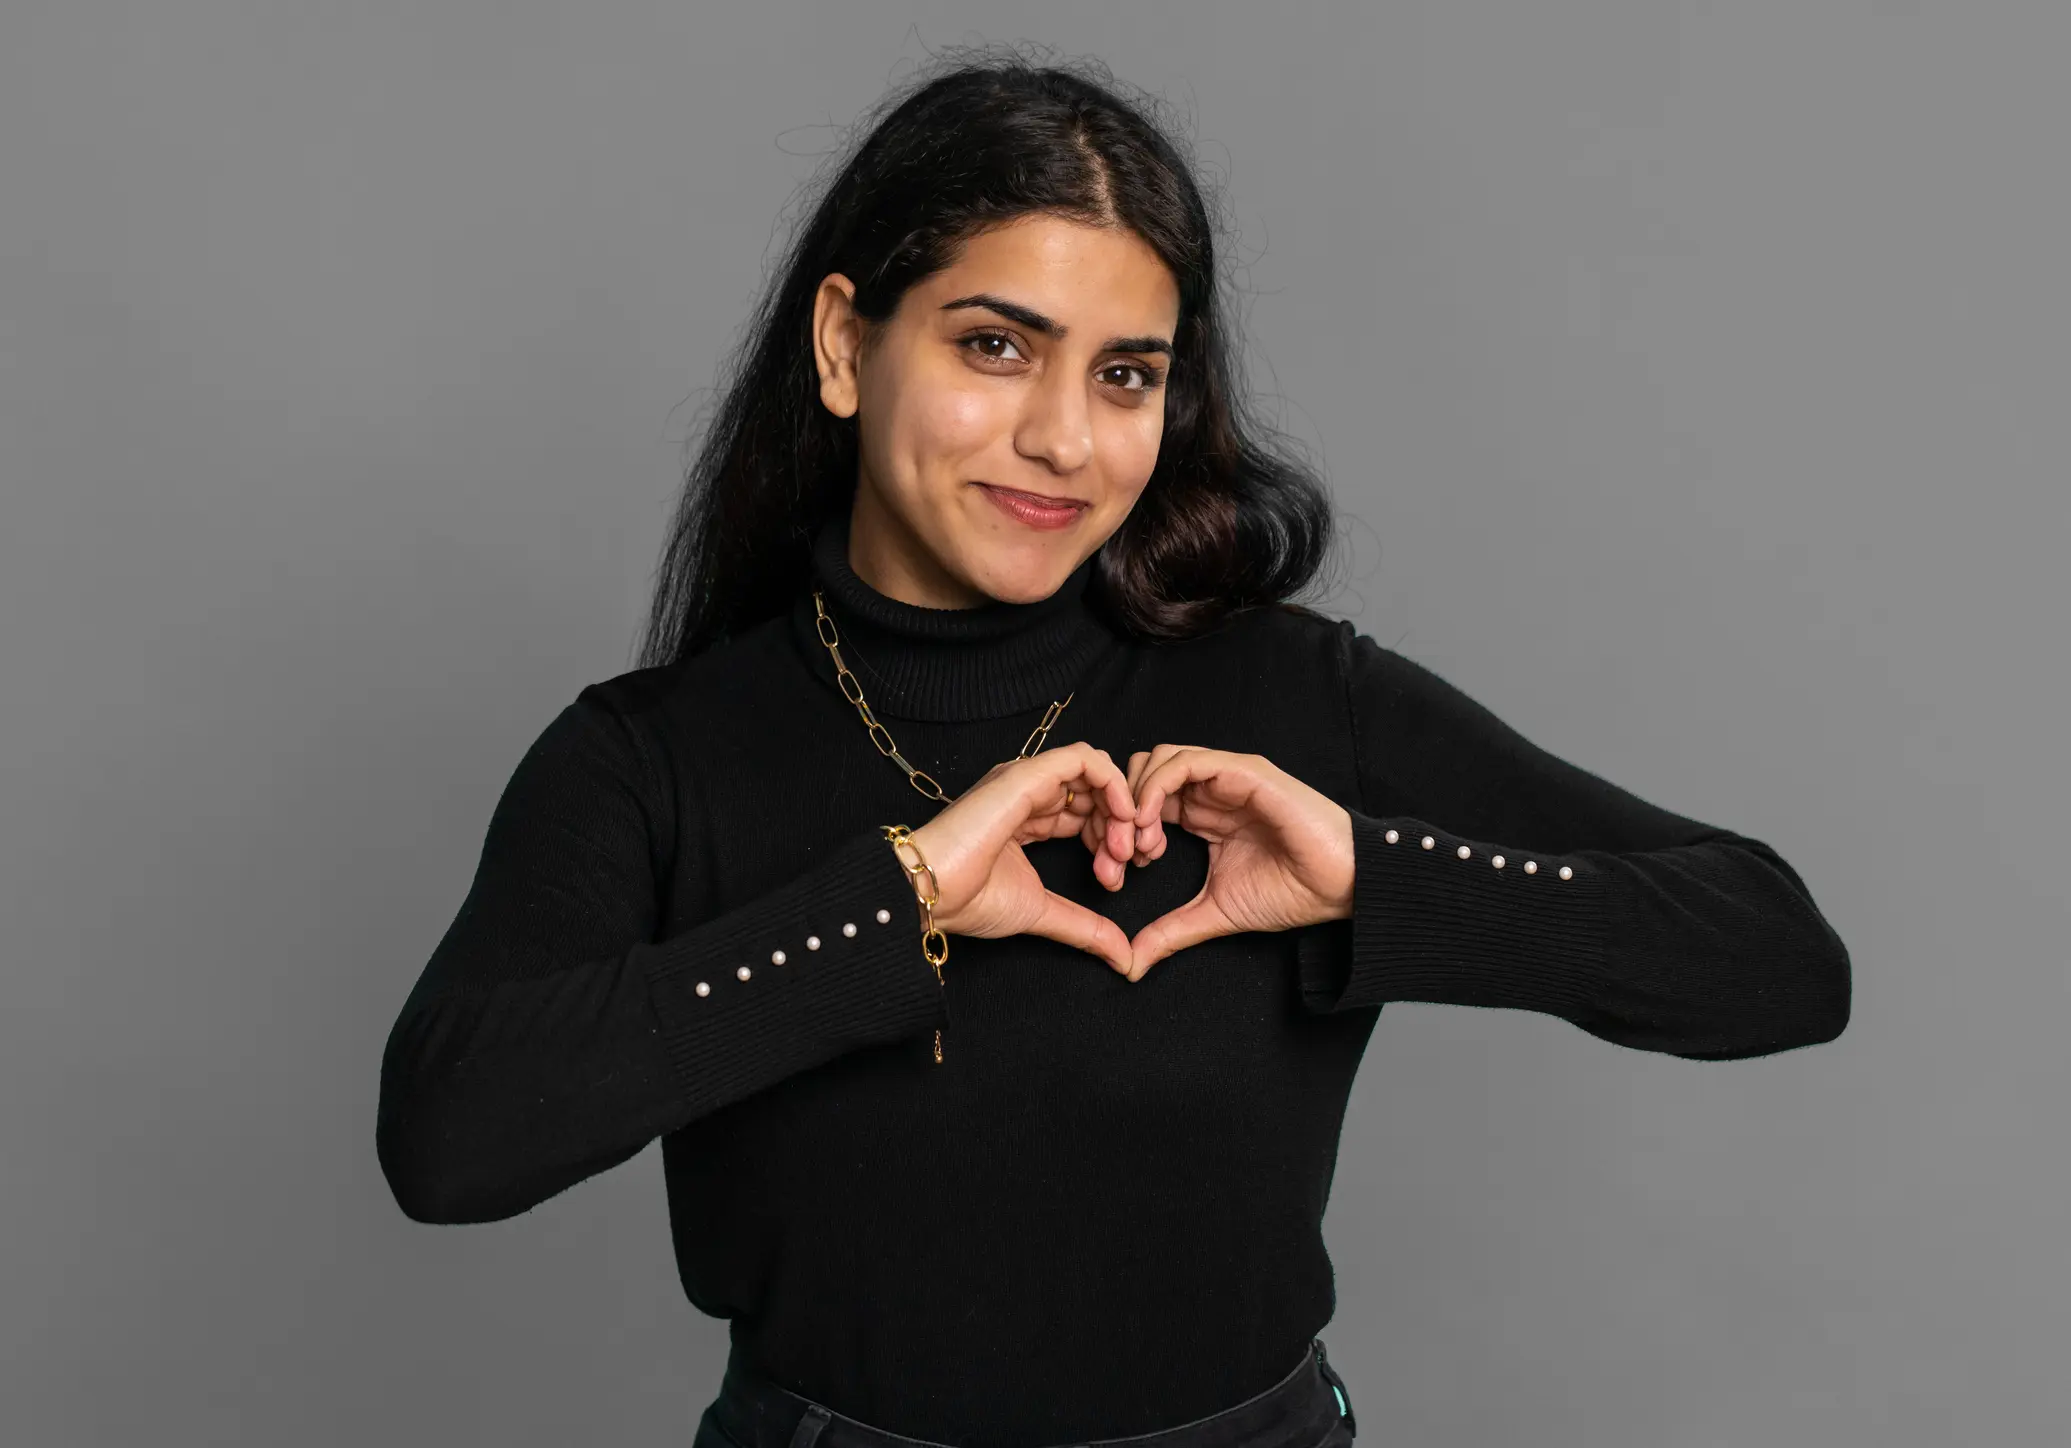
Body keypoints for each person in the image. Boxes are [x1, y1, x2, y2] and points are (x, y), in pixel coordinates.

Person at [375, 49, 1851, 1448]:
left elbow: (1775, 956)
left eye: (1125, 374)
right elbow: (451, 1141)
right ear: (843, 346)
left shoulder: (1289, 697)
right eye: (995, 347)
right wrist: (892, 906)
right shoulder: (658, 756)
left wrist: (1367, 879)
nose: (1064, 440)